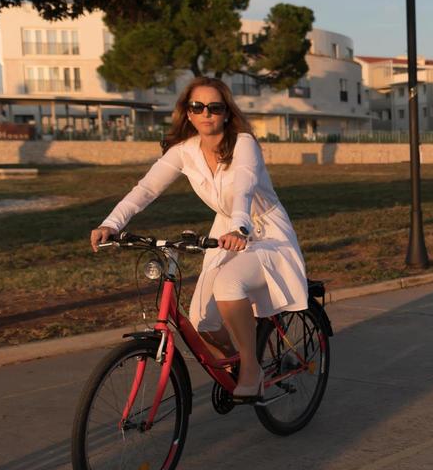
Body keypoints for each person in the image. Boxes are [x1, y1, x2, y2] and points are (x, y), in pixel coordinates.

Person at [89, 76, 309, 402]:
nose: (206, 113)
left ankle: (251, 366)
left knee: (228, 285)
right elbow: (146, 189)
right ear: (188, 113)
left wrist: (240, 228)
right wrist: (111, 223)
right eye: (198, 107)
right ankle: (238, 364)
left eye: (215, 107)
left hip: (266, 233)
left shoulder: (243, 143)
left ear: (226, 113)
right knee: (201, 322)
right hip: (225, 233)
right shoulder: (184, 152)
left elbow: (245, 186)